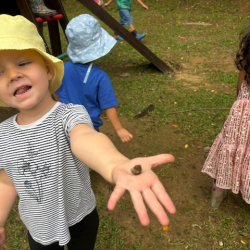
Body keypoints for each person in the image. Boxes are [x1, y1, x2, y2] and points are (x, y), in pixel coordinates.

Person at [0, 14, 176, 250]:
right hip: (39, 227)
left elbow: (85, 138)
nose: (13, 75)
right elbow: (7, 181)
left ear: (48, 69)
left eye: (23, 63)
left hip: (81, 216)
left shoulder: (71, 115)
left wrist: (114, 165)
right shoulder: (3, 134)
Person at [54, 14, 133, 143]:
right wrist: (119, 129)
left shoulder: (62, 69)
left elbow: (56, 91)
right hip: (89, 127)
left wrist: (59, 107)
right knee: (88, 155)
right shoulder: (100, 77)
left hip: (64, 123)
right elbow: (109, 106)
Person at [202, 27, 250, 209]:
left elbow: (239, 89)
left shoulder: (247, 61)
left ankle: (216, 195)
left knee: (229, 148)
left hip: (240, 112)